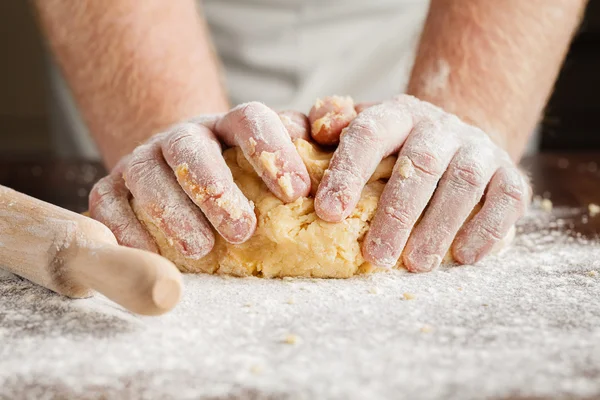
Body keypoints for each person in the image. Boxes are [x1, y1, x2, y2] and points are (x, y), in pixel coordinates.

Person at [33, 0, 587, 272]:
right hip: (145, 42)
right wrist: (175, 152)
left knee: (442, 175)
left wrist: (460, 117)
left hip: (414, 29)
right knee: (175, 185)